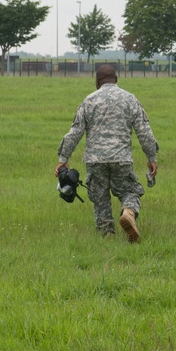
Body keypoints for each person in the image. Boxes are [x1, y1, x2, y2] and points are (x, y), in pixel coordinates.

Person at [55, 64, 159, 243]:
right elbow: (144, 131)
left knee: (100, 199)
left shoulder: (89, 101)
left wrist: (63, 158)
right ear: (116, 79)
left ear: (97, 82)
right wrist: (152, 157)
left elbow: (75, 131)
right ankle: (128, 212)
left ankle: (107, 238)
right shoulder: (130, 99)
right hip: (121, 158)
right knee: (129, 191)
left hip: (95, 161)